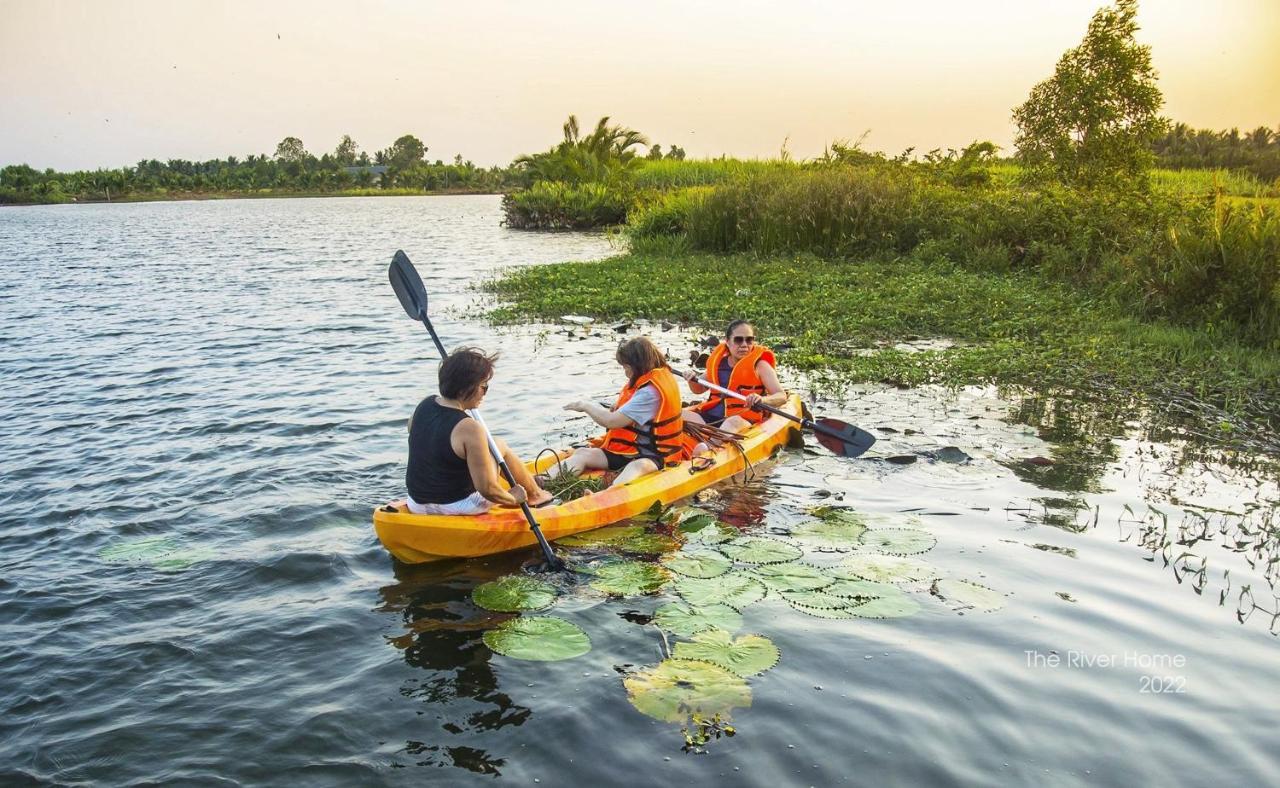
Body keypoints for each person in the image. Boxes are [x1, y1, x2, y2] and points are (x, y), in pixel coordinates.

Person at [405, 347, 552, 515]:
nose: (485, 393)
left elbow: (421, 438)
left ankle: (533, 488)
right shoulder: (470, 428)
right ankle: (536, 495)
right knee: (497, 444)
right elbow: (487, 489)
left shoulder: (423, 406)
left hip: (416, 503)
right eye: (484, 386)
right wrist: (514, 498)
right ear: (464, 389)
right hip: (458, 506)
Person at [557, 337, 690, 486]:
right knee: (583, 453)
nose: (625, 371)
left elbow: (611, 421)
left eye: (625, 366)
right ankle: (542, 482)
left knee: (636, 467)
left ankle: (607, 496)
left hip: (654, 456)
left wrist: (585, 406)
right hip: (630, 451)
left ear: (635, 366)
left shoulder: (650, 393)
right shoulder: (653, 378)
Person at [683, 320, 787, 436]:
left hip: (742, 419)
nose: (744, 344)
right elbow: (698, 389)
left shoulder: (760, 366)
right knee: (679, 414)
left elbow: (781, 396)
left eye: (749, 340)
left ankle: (710, 446)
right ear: (727, 341)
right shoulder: (718, 364)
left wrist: (762, 400)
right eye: (738, 340)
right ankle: (704, 437)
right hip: (711, 417)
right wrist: (691, 379)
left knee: (732, 422)